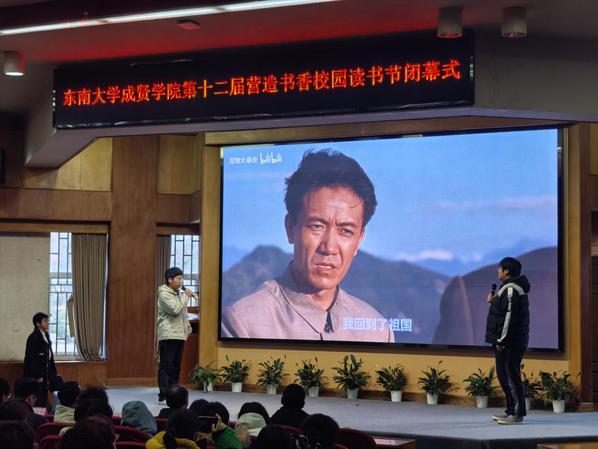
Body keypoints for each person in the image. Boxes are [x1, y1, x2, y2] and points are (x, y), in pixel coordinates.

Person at [222, 149, 394, 343]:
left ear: (359, 240)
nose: (329, 248)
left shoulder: (379, 331)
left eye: (346, 231)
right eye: (316, 226)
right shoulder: (243, 323)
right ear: (290, 228)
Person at [485, 257, 530, 425]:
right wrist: (494, 301)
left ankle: (517, 414)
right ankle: (511, 410)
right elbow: (503, 312)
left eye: (499, 268)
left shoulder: (511, 289)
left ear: (507, 271)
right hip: (506, 341)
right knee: (505, 376)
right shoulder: (507, 288)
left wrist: (502, 340)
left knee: (511, 377)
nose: (498, 271)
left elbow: (509, 318)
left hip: (510, 342)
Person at [157, 267, 193, 403]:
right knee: (166, 366)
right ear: (170, 280)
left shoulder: (178, 294)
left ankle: (174, 394)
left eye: (182, 279)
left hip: (179, 334)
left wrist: (188, 328)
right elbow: (175, 310)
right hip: (168, 334)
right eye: (179, 279)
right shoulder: (164, 294)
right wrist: (186, 296)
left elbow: (183, 313)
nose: (181, 281)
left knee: (176, 366)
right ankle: (163, 395)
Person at [24, 312, 62, 407]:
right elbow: (30, 359)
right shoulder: (33, 337)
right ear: (38, 324)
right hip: (38, 372)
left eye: (47, 321)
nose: (47, 323)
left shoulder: (46, 335)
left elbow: (50, 356)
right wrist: (38, 376)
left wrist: (55, 372)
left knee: (61, 387)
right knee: (41, 396)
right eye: (45, 321)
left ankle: (60, 410)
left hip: (48, 369)